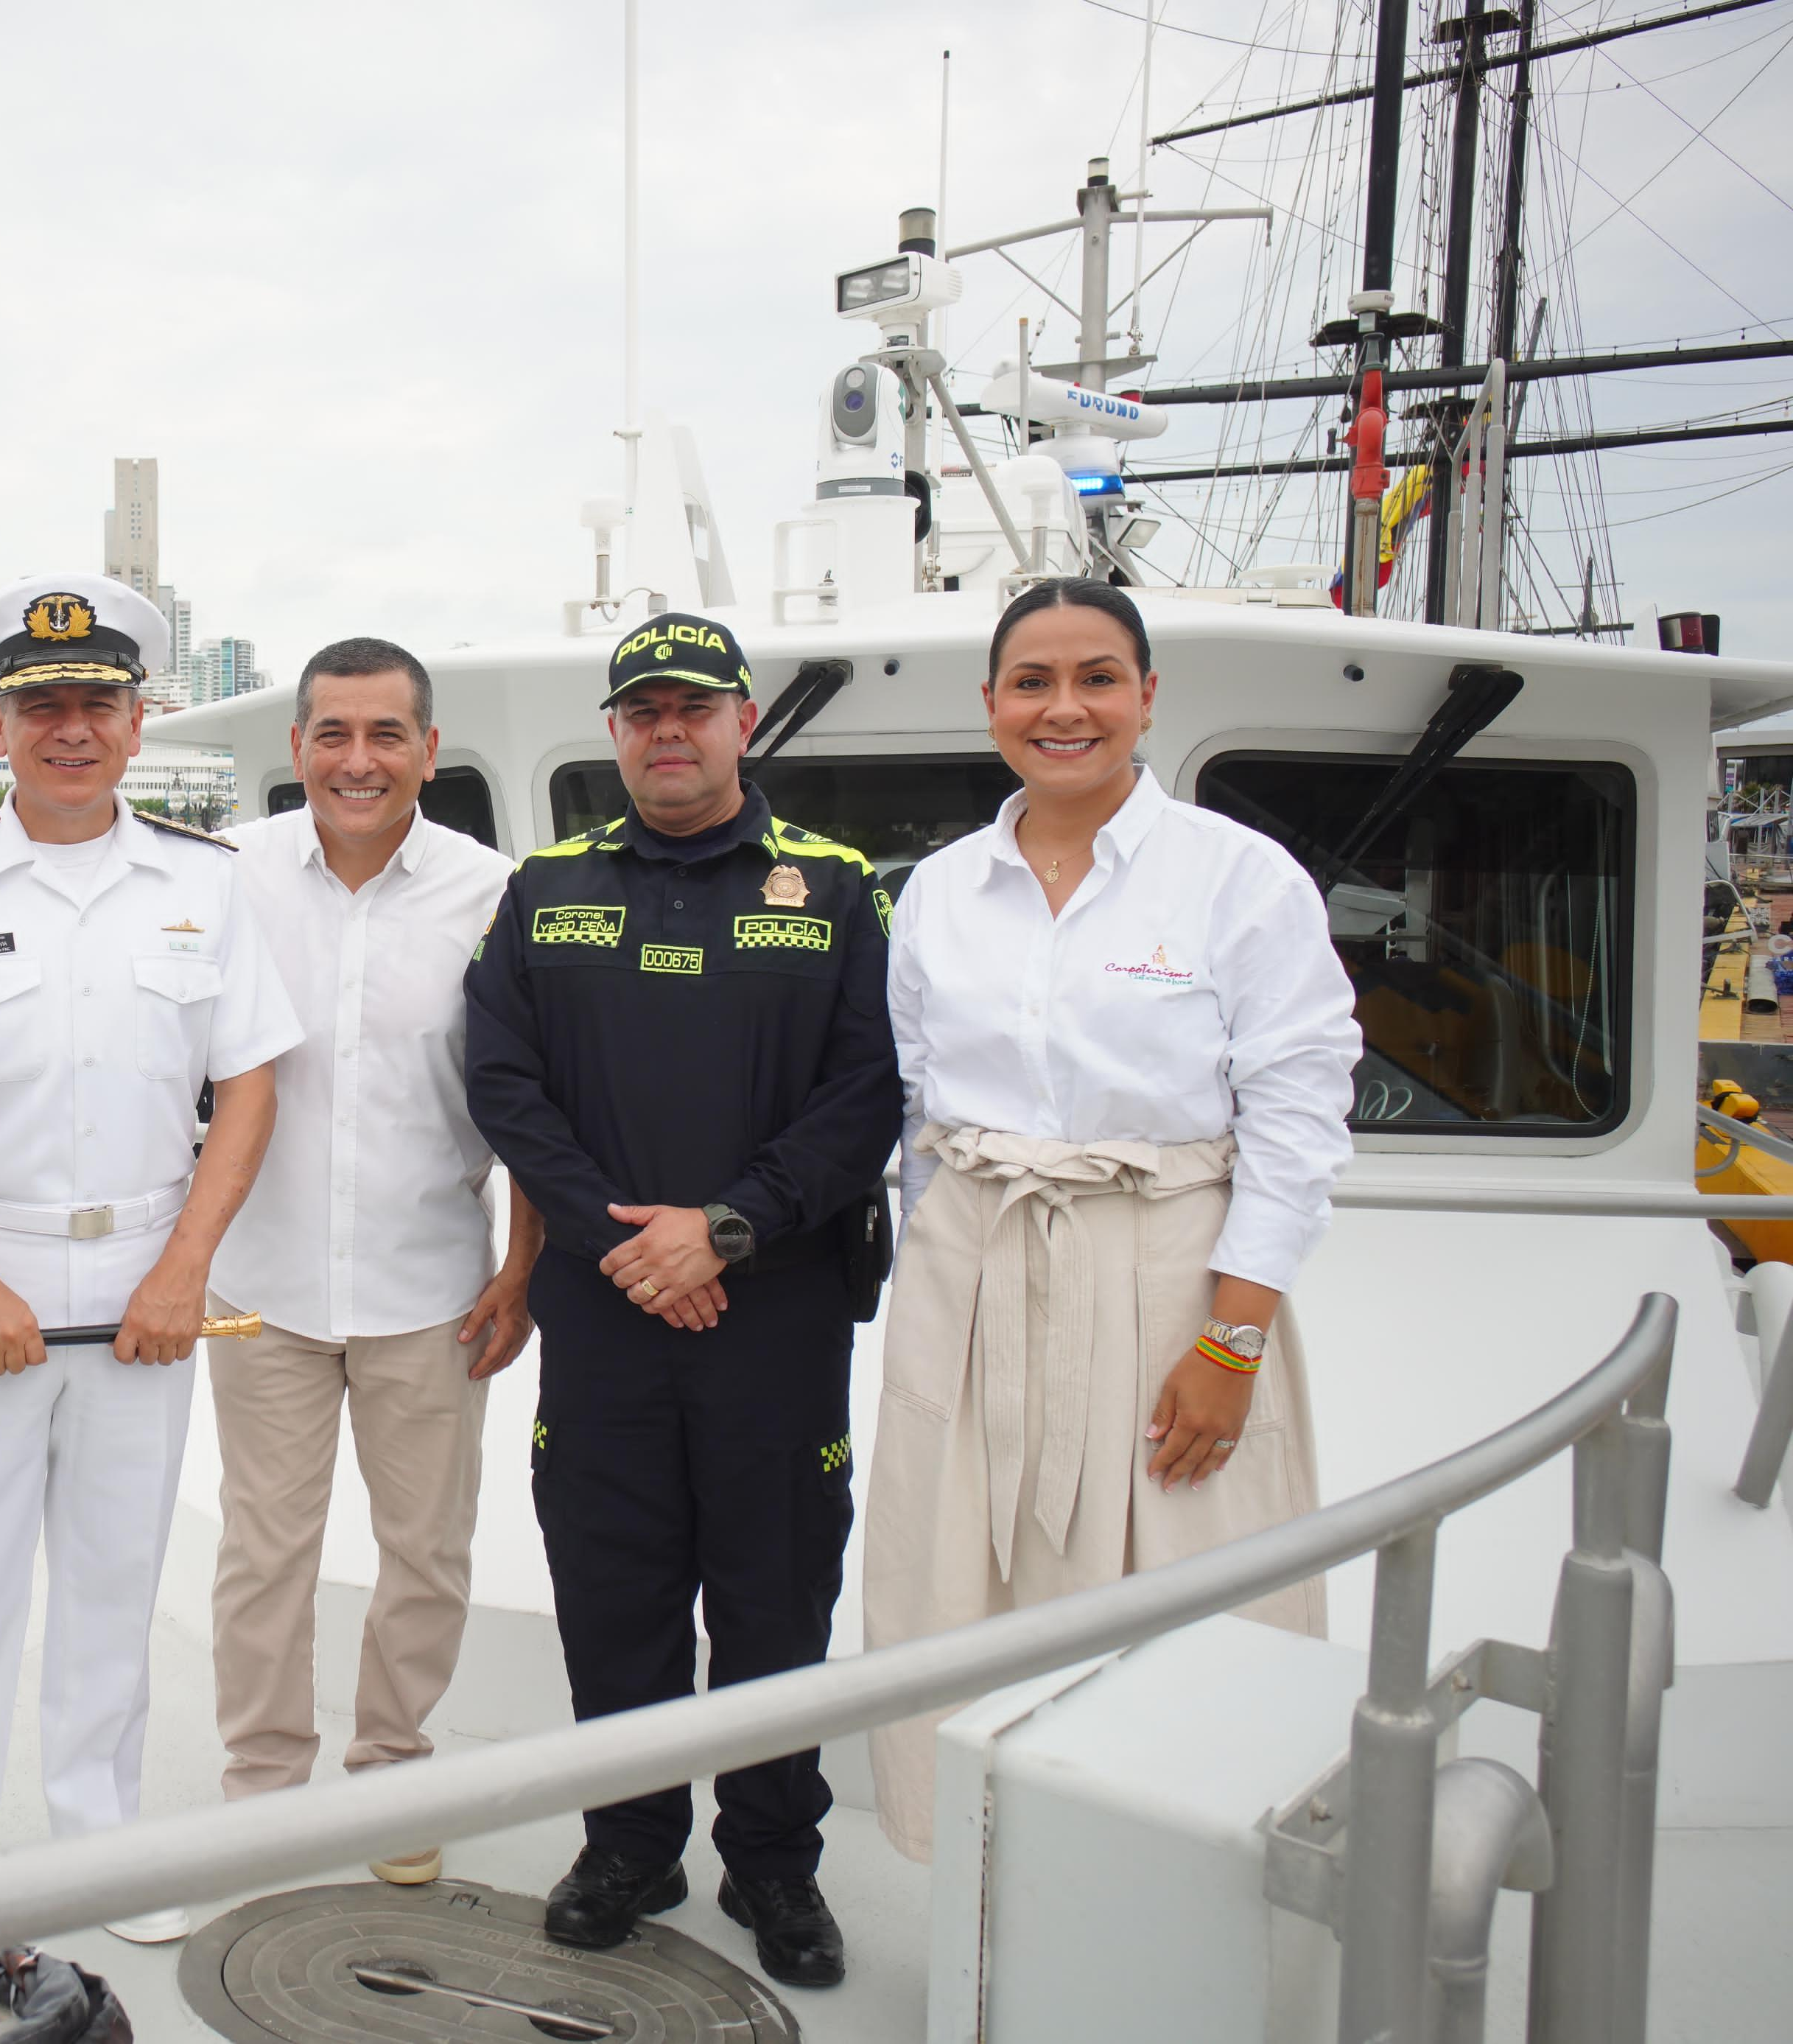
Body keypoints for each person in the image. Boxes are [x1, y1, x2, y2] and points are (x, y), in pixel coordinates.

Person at [862, 577, 1360, 1860]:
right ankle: (984, 1871)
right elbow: (920, 1109)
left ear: (1147, 696)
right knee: (955, 1584)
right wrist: (933, 1297)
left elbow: (1299, 1118)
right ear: (990, 706)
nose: (1064, 707)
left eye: (1096, 677)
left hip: (1169, 1279)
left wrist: (1233, 1341)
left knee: (1191, 1578)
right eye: (1032, 681)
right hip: (969, 1273)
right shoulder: (940, 893)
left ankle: (1173, 1881)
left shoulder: (1238, 879)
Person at [463, 610, 900, 1989]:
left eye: (695, 707)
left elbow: (870, 1093)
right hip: (603, 1312)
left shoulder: (836, 891)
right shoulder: (546, 890)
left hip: (774, 1313)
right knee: (614, 1589)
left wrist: (725, 1230)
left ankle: (774, 1863)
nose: (670, 729)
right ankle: (632, 1843)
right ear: (614, 731)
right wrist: (620, 1241)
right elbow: (503, 1084)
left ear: (742, 722)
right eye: (644, 709)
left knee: (776, 1600)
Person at [0, 573, 301, 1944]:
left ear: (138, 716)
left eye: (96, 703)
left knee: (116, 1581)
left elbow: (251, 1088)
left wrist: (184, 1270)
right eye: (39, 704)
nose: (70, 728)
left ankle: (99, 1851)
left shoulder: (207, 882)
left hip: (145, 1282)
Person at [206, 636, 540, 1883]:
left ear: (428, 750)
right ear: (296, 749)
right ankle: (262, 1788)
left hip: (432, 1283)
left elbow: (528, 1103)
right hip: (264, 1284)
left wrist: (522, 1267)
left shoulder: (493, 892)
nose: (358, 760)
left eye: (385, 734)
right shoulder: (226, 874)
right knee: (263, 1551)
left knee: (427, 1548)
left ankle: (393, 1769)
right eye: (332, 734)